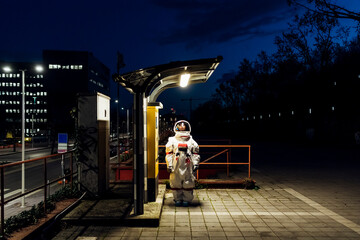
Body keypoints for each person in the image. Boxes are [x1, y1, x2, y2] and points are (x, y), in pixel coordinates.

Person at [165, 120, 200, 207]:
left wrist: (195, 163)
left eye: (184, 125)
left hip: (188, 164)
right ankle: (177, 199)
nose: (182, 126)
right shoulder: (172, 140)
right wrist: (169, 164)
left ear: (187, 127)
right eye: (180, 125)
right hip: (176, 164)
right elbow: (168, 153)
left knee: (188, 182)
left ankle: (186, 200)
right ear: (177, 127)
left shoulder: (191, 140)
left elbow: (195, 153)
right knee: (175, 181)